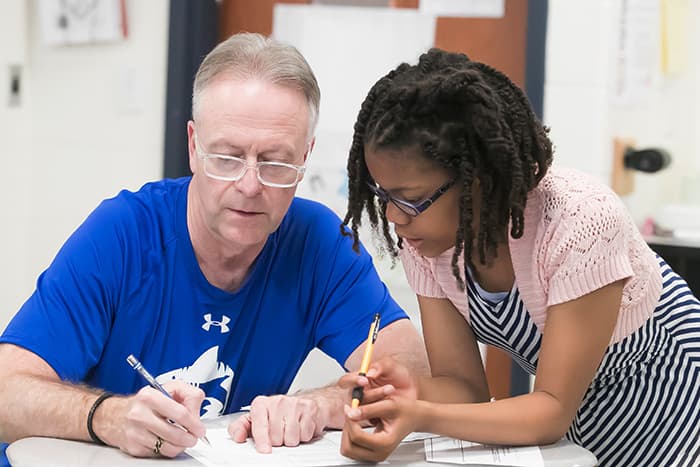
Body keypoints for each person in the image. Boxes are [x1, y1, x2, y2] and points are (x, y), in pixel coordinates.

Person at [0, 32, 429, 464]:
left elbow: (411, 371)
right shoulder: (124, 233)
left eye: (276, 162)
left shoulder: (316, 242)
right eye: (227, 157)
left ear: (305, 158)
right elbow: (5, 392)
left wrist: (323, 404)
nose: (249, 185)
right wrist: (107, 416)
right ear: (193, 146)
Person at [337, 48, 700, 467]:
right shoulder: (428, 242)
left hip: (674, 405)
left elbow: (548, 410)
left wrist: (420, 415)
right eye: (383, 195)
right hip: (576, 424)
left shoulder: (580, 223)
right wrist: (402, 396)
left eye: (411, 199)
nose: (393, 216)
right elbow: (463, 387)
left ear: (477, 181)